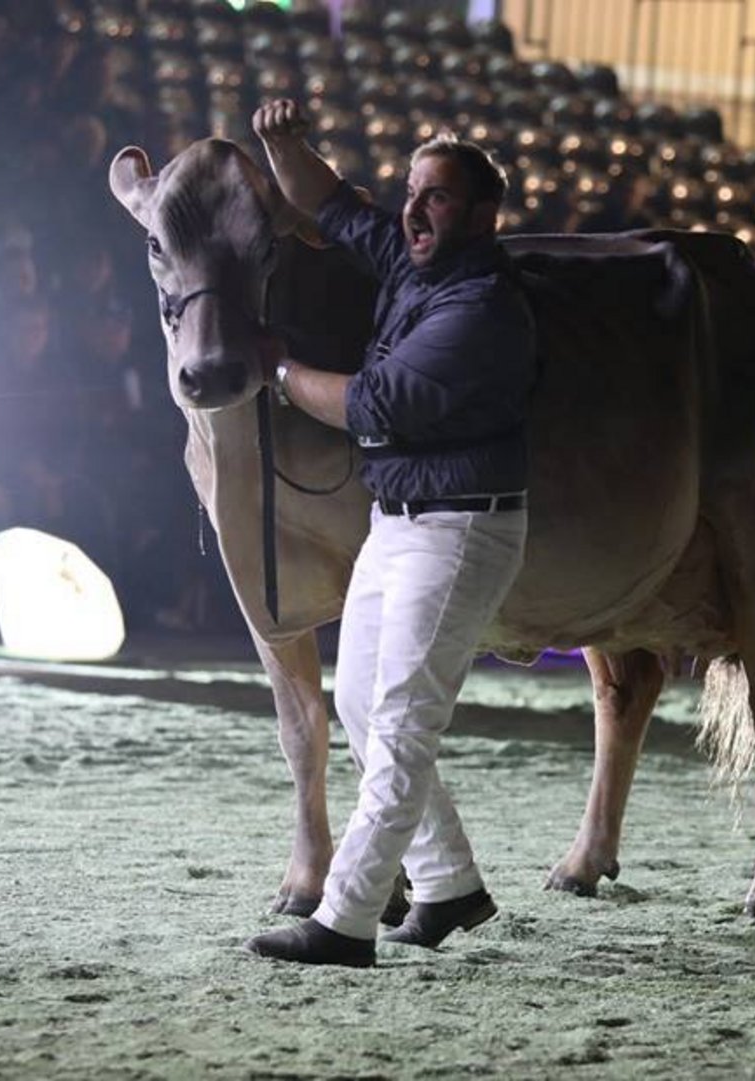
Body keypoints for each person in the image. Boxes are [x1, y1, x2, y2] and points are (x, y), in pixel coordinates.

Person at [242, 98, 536, 968]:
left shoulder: (482, 307)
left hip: (459, 532)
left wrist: (279, 371)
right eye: (411, 191)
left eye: (436, 196)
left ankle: (344, 919)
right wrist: (280, 142)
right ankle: (448, 884)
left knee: (401, 726)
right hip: (401, 521)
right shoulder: (417, 263)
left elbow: (376, 406)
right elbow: (332, 203)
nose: (413, 209)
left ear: (482, 216)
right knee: (364, 709)